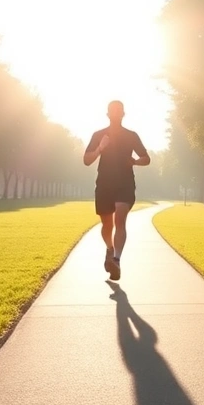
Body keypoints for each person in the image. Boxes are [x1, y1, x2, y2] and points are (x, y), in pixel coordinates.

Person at [83, 100, 150, 281]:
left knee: (120, 220)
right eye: (113, 111)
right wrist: (100, 148)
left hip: (125, 184)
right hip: (104, 184)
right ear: (107, 114)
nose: (116, 114)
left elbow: (146, 158)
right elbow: (86, 160)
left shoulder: (131, 136)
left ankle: (117, 260)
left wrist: (135, 161)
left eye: (119, 111)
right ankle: (110, 249)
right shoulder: (98, 135)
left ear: (123, 114)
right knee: (107, 226)